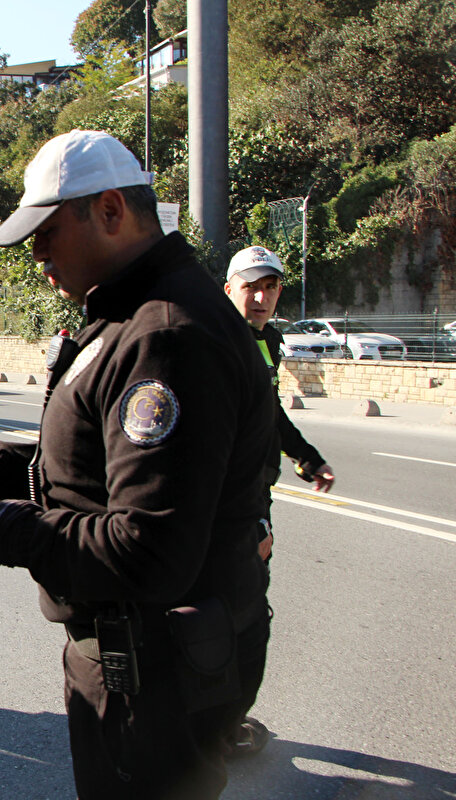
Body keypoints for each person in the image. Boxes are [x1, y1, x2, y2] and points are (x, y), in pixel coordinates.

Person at [0, 130, 277, 800]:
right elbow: (108, 470)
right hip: (142, 662)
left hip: (154, 672)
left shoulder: (164, 334)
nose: (38, 257)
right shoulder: (130, 316)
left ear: (110, 211)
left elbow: (150, 548)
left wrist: (0, 525)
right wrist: (4, 470)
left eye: (47, 235)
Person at [221, 245, 336, 756]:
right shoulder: (221, 343)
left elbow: (269, 415)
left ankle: (220, 719)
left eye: (270, 287)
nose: (262, 296)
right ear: (230, 289)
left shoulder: (265, 339)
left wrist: (306, 457)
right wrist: (249, 521)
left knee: (240, 609)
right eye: (251, 287)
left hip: (252, 498)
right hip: (232, 503)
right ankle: (219, 726)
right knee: (238, 613)